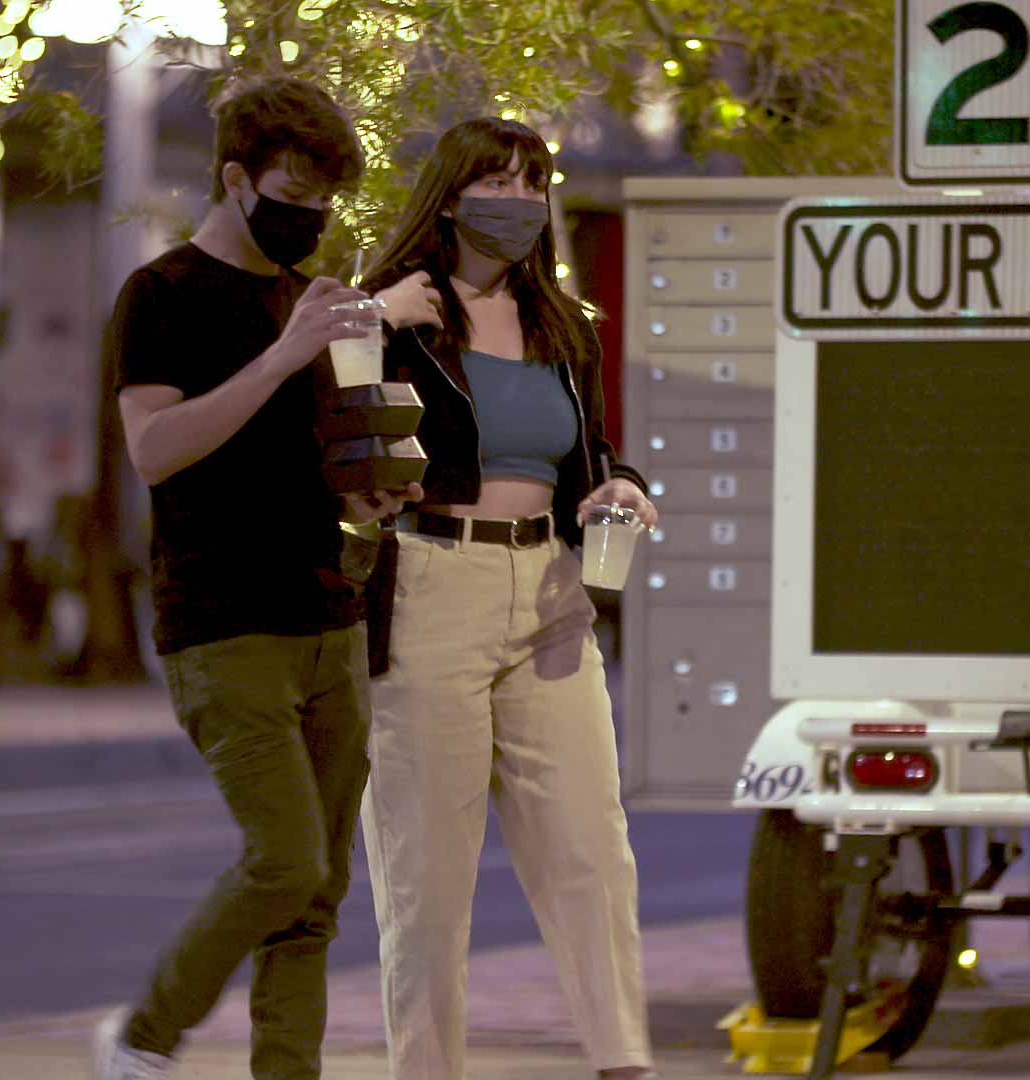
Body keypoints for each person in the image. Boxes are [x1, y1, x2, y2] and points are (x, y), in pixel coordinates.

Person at [95, 75, 426, 1080]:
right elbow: (154, 448)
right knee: (284, 860)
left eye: (324, 206)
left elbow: (321, 452)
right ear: (235, 179)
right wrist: (283, 357)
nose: (309, 222)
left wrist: (371, 495)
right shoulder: (161, 295)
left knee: (314, 897)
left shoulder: (306, 302)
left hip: (328, 614)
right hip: (222, 622)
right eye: (293, 197)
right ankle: (144, 1035)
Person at [357, 117, 662, 1080]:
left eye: (536, 185)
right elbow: (334, 434)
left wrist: (618, 487)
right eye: (501, 183)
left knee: (590, 848)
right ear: (450, 197)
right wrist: (372, 326)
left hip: (553, 587)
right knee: (427, 876)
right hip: (431, 580)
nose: (522, 204)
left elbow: (590, 455)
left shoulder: (563, 326)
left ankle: (624, 1062)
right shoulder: (395, 309)